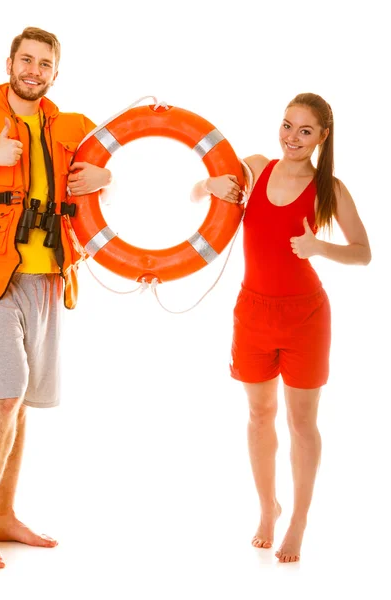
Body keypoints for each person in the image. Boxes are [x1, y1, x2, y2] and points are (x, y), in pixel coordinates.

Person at [0, 26, 111, 570]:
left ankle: (7, 514)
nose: (34, 70)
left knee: (22, 395)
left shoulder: (72, 128)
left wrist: (106, 176)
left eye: (44, 64)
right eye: (25, 60)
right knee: (6, 390)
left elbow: (109, 178)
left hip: (47, 273)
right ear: (9, 62)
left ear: (55, 73)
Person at [191, 93, 371, 563]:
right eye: (287, 126)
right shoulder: (257, 167)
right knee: (258, 415)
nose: (292, 138)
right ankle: (268, 507)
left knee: (301, 421)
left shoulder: (330, 187)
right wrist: (208, 185)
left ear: (322, 137)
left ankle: (299, 520)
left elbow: (363, 251)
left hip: (306, 317)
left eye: (305, 131)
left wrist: (319, 248)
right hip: (252, 312)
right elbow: (198, 190)